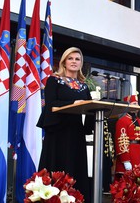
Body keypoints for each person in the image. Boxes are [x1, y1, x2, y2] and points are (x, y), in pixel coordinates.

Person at [37, 47, 93, 202]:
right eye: (70, 58)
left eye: (77, 59)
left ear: (81, 63)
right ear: (64, 61)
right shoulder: (54, 80)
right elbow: (51, 104)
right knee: (57, 168)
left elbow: (89, 107)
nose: (74, 62)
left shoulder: (84, 86)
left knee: (76, 168)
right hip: (57, 132)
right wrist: (73, 102)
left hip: (76, 132)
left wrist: (94, 116)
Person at [114, 92, 140, 175]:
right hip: (130, 154)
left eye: (137, 103)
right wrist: (125, 160)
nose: (137, 105)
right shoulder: (122, 121)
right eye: (134, 103)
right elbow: (121, 142)